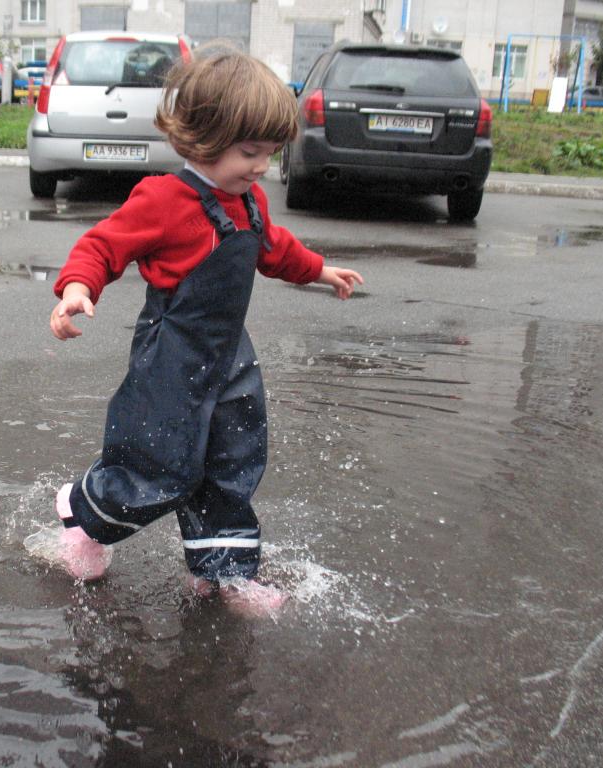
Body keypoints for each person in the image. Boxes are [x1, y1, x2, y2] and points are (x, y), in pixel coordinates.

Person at [41, 50, 363, 615]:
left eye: (270, 153)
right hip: (171, 352)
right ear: (202, 136)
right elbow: (102, 245)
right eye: (249, 152)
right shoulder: (164, 199)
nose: (261, 166)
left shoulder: (250, 201)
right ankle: (84, 519)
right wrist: (77, 288)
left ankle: (224, 573)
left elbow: (274, 249)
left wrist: (319, 270)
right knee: (160, 461)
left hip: (230, 354)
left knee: (234, 457)